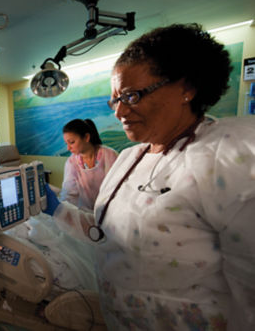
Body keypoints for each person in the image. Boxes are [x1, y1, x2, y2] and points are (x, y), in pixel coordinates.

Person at [44, 23, 255, 330]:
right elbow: (107, 233)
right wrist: (57, 209)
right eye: (115, 100)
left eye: (131, 96)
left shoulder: (228, 158)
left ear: (187, 88)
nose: (118, 112)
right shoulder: (131, 158)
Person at [61, 118, 118, 210]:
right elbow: (69, 193)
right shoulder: (71, 163)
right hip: (86, 213)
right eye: (66, 143)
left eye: (72, 142)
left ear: (86, 137)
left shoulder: (109, 155)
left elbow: (119, 186)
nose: (68, 148)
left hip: (111, 210)